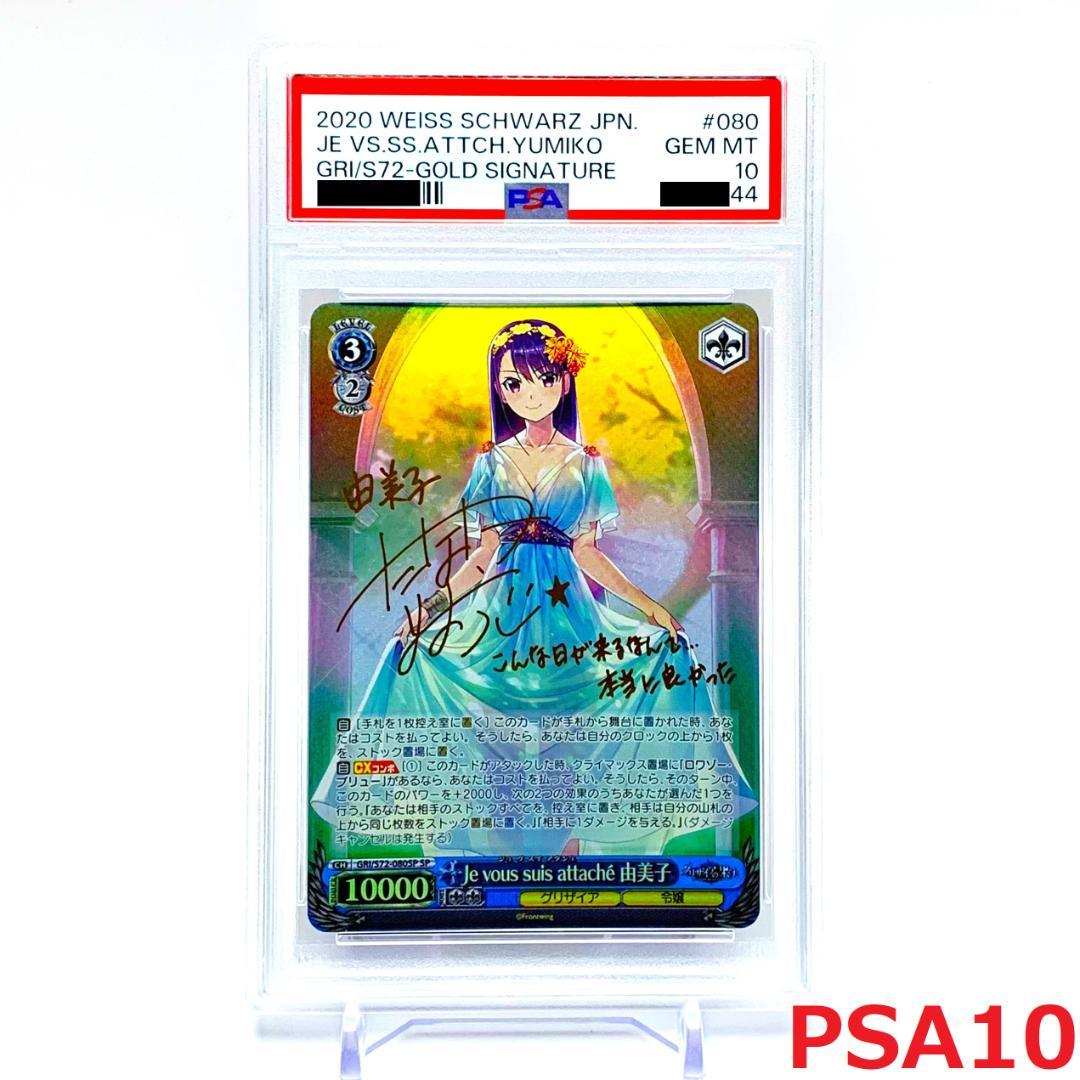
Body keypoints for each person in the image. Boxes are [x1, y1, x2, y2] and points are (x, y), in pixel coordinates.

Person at [313, 318, 755, 855]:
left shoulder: (585, 464)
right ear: (500, 390)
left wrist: (649, 608)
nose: (529, 392)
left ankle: (571, 845)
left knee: (580, 725)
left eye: (542, 378)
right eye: (513, 382)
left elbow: (587, 551)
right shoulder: (491, 462)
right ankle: (493, 846)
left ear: (564, 382)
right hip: (501, 612)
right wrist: (430, 609)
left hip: (568, 614)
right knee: (474, 712)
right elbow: (483, 554)